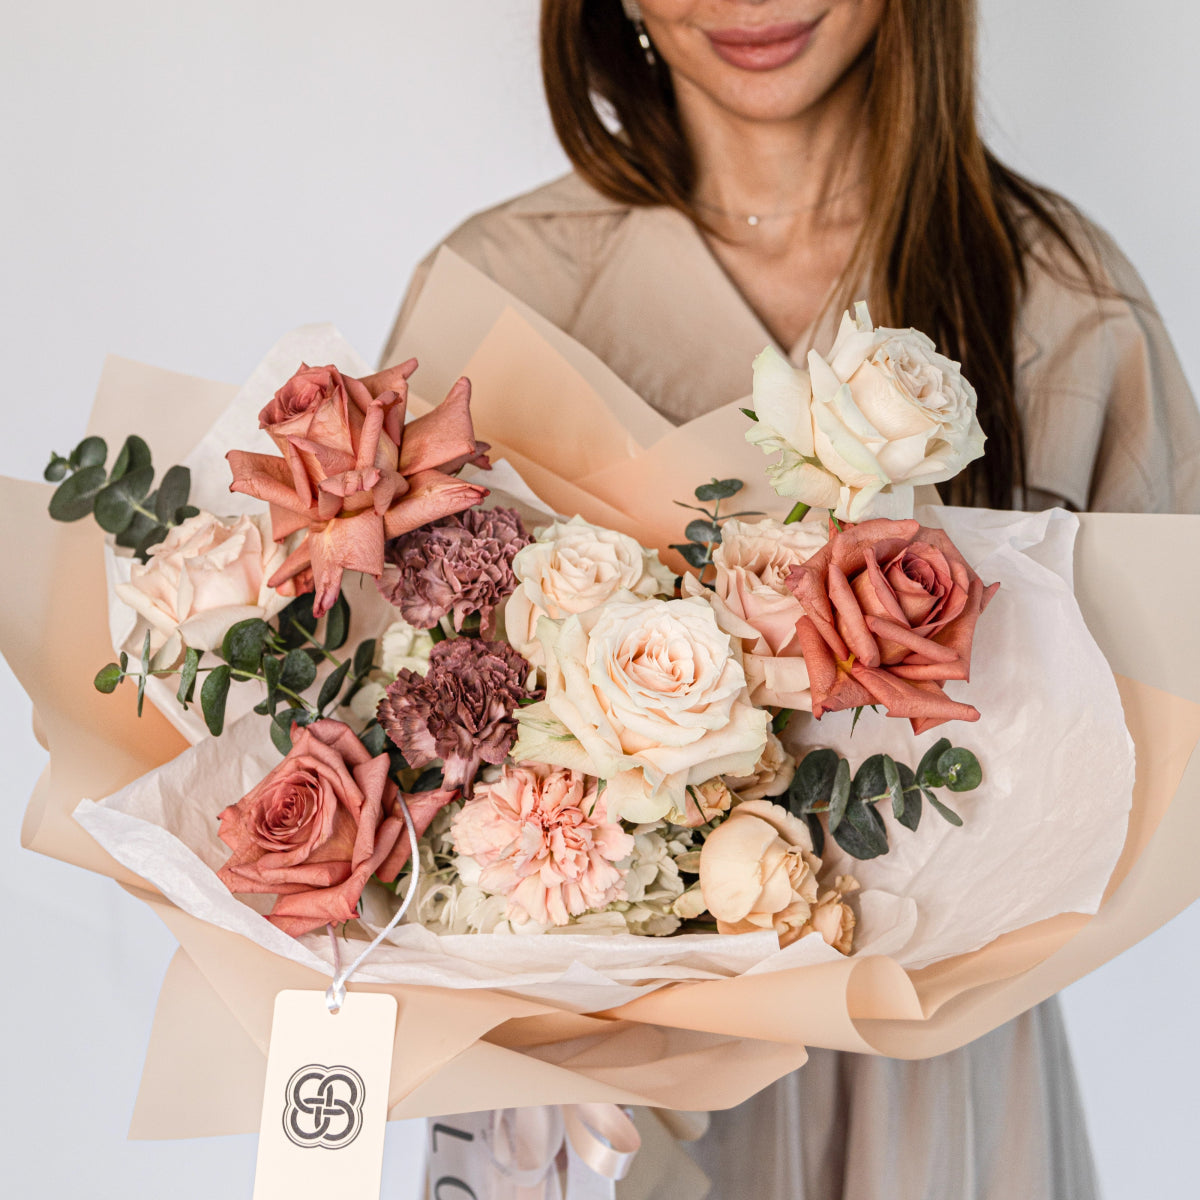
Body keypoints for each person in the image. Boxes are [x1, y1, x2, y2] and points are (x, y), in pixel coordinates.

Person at [383, 2, 1200, 1197]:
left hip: (934, 1083)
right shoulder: (504, 296)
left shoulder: (1061, 308)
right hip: (589, 1105)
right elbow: (388, 715)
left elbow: (1161, 748)